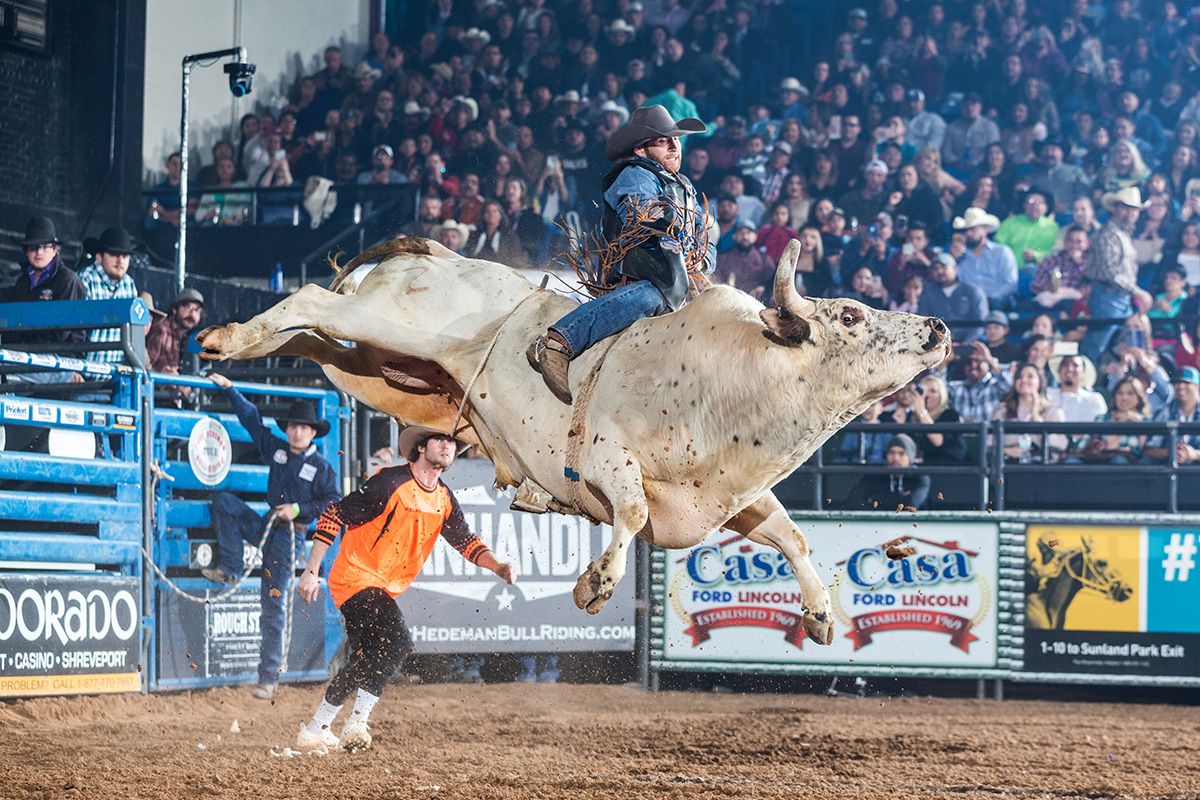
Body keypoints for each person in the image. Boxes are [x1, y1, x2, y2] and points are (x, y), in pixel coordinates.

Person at [295, 426, 515, 752]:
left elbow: (466, 542)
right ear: (421, 447)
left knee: (372, 658)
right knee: (397, 644)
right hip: (357, 578)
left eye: (452, 441)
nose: (448, 446)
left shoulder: (443, 498)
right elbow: (333, 514)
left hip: (381, 586)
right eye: (440, 439)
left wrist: (496, 565)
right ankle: (356, 723)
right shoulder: (391, 481)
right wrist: (311, 571)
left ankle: (317, 727)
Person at [527, 105, 713, 403]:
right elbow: (641, 214)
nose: (674, 145)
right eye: (664, 140)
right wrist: (673, 235)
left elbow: (705, 240)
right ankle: (559, 341)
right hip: (639, 276)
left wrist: (698, 258)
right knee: (653, 296)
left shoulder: (686, 188)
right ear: (641, 149)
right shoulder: (634, 173)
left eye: (675, 140)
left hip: (677, 282)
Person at [201, 373, 341, 700]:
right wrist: (231, 389)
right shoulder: (277, 450)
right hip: (266, 523)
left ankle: (268, 676)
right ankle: (232, 568)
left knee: (273, 606)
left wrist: (298, 509)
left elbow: (332, 501)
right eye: (293, 426)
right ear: (287, 429)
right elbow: (252, 421)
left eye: (303, 427)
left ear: (311, 432)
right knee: (224, 502)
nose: (297, 431)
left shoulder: (321, 468)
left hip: (288, 535)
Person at [1081, 187, 1154, 363]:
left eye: (1134, 209)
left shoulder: (1123, 233)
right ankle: (1083, 379)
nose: (1130, 213)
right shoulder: (1108, 234)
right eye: (1125, 208)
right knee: (1097, 344)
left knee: (1127, 345)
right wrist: (1137, 291)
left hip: (1121, 297)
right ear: (1114, 208)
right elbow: (1109, 272)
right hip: (1107, 295)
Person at [78, 228, 139, 365]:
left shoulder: (129, 285)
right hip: (85, 373)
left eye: (125, 256)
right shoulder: (85, 279)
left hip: (117, 375)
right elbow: (75, 332)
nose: (120, 260)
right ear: (99, 256)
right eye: (114, 254)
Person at [991, 362, 1067, 463]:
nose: (1024, 380)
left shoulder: (1053, 411)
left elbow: (1059, 445)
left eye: (1030, 376)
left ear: (1040, 382)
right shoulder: (1002, 410)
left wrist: (1036, 416)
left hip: (1041, 467)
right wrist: (1005, 451)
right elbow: (989, 443)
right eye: (1019, 377)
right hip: (1007, 464)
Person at [891, 375, 968, 464]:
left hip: (948, 466)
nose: (927, 395)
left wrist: (921, 411)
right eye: (924, 391)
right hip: (920, 467)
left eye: (933, 391)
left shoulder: (949, 414)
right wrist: (901, 426)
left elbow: (938, 441)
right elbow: (908, 446)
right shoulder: (913, 416)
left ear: (941, 395)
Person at [844, 434, 931, 510]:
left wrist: (875, 500)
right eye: (891, 453)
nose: (895, 458)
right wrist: (901, 499)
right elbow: (853, 500)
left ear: (910, 457)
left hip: (914, 525)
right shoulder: (876, 475)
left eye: (901, 453)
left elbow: (911, 504)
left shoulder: (920, 476)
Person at [954, 207, 1018, 310]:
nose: (968, 234)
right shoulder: (960, 257)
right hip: (971, 305)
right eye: (966, 230)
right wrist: (954, 261)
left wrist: (989, 299)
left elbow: (1010, 283)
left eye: (973, 229)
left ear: (985, 229)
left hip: (997, 304)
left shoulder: (1001, 252)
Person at [917, 252, 988, 343]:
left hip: (970, 344)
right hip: (937, 345)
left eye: (944, 267)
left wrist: (964, 345)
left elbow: (980, 324)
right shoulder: (928, 293)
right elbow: (924, 321)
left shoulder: (972, 291)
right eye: (935, 268)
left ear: (955, 268)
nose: (939, 271)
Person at [1079, 376, 1149, 463]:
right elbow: (1087, 447)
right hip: (1099, 462)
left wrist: (1134, 419)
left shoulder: (1145, 422)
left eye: (1130, 393)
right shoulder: (1101, 419)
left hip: (1128, 467)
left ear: (1139, 397)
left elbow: (1144, 451)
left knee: (1118, 461)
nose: (1124, 397)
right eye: (1119, 393)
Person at [1143, 366, 1200, 463]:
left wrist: (1194, 454)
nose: (1180, 386)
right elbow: (1148, 449)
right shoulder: (1164, 411)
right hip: (1169, 469)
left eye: (1186, 382)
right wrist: (1171, 453)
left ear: (1197, 386)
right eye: (1176, 383)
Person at [948, 341, 1013, 423]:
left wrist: (990, 360)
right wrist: (945, 360)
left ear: (987, 364)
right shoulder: (954, 388)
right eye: (968, 362)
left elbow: (1011, 386)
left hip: (991, 434)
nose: (973, 366)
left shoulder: (996, 386)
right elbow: (934, 388)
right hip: (961, 434)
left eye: (978, 361)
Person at [994, 187, 1060, 269]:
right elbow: (997, 247)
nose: (1035, 206)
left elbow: (1056, 253)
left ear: (1046, 208)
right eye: (1031, 201)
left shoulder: (1053, 227)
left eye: (1039, 203)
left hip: (1039, 273)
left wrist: (1036, 255)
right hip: (1008, 270)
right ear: (1024, 205)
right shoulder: (1009, 223)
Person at [146, 288, 205, 374]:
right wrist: (166, 377)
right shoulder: (162, 331)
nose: (192, 314)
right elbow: (146, 369)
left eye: (197, 310)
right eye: (187, 307)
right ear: (174, 309)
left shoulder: (184, 336)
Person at [715, 221, 772, 298]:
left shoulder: (764, 260)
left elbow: (772, 282)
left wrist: (764, 289)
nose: (745, 237)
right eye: (741, 233)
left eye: (748, 233)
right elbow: (716, 282)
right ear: (734, 236)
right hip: (729, 301)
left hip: (757, 304)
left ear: (755, 237)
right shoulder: (723, 258)